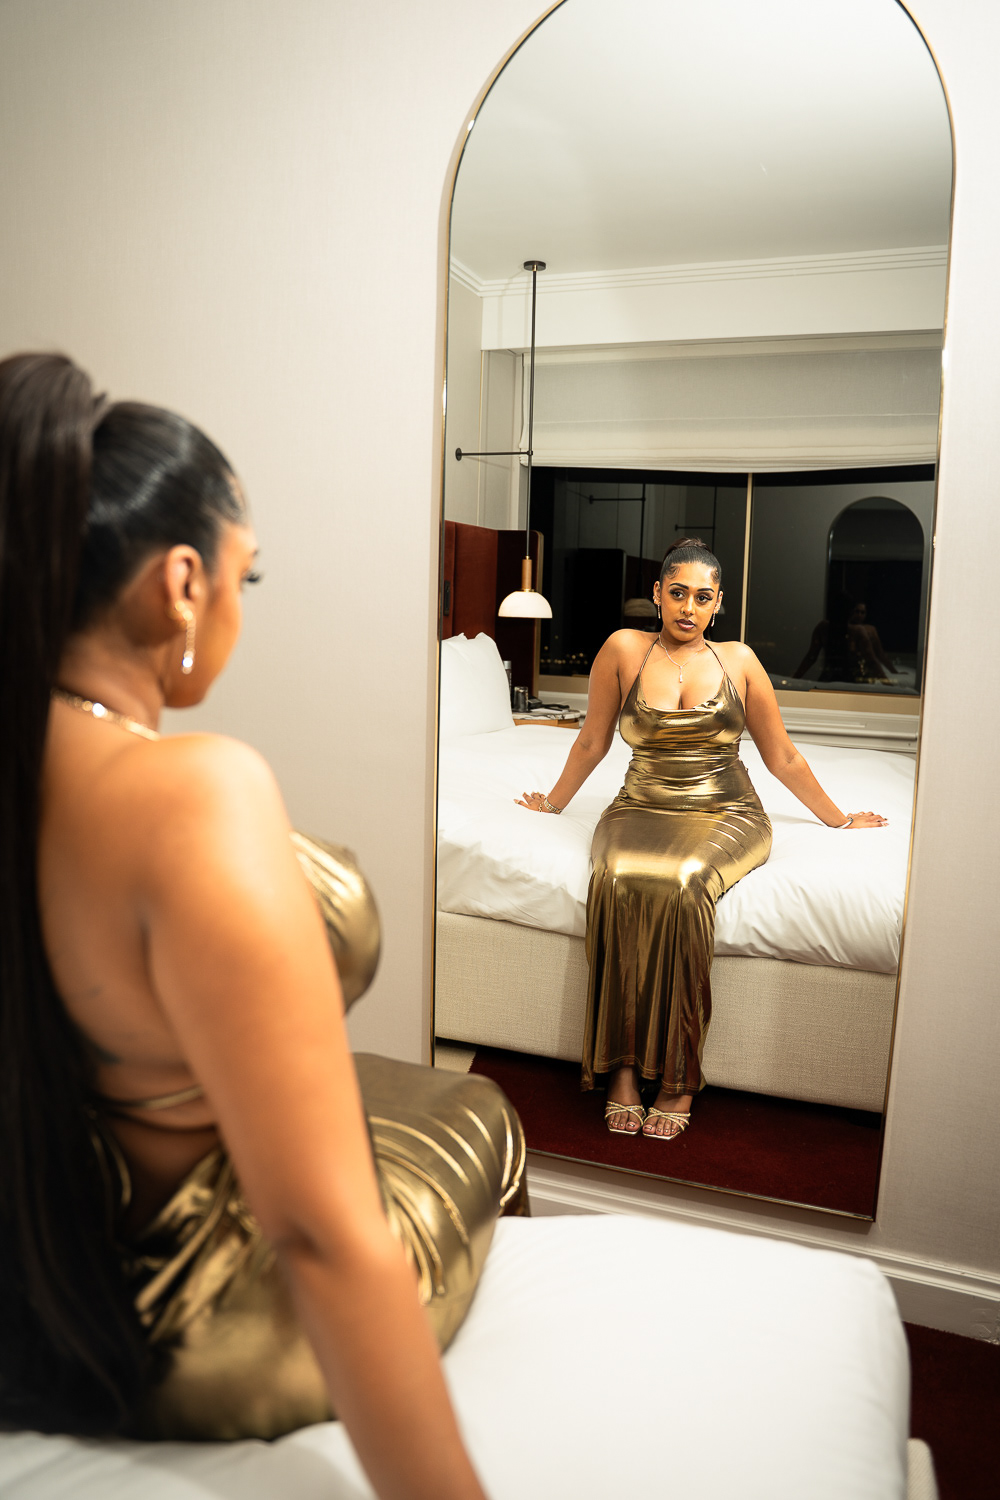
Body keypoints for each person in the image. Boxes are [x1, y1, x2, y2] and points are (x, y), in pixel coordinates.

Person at [0, 352, 526, 1499]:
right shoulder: (193, 794)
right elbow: (322, 1237)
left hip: (29, 1287)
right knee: (479, 1111)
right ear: (181, 583)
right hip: (175, 1325)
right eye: (250, 575)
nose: (242, 605)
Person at [517, 538, 888, 1141]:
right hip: (640, 804)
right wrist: (553, 803)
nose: (688, 608)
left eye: (702, 597)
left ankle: (678, 1074)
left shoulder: (739, 659)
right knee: (617, 875)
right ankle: (622, 1067)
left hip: (726, 809)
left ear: (718, 603)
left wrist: (840, 820)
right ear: (658, 595)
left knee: (687, 881)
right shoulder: (622, 648)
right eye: (678, 593)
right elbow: (591, 741)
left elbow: (782, 756)